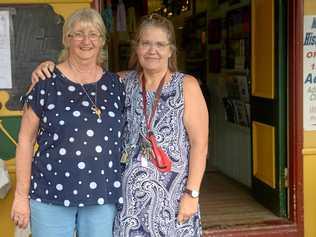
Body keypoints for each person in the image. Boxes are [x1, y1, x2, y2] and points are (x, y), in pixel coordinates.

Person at [32, 13, 208, 237]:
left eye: (160, 44)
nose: (152, 50)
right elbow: (82, 77)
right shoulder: (121, 82)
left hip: (172, 200)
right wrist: (48, 69)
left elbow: (199, 144)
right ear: (137, 48)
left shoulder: (187, 86)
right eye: (145, 43)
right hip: (128, 204)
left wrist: (192, 194)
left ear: (170, 50)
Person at [11, 8, 125, 237]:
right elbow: (25, 140)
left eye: (93, 34)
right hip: (51, 193)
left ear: (102, 40)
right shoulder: (45, 82)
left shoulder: (116, 85)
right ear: (66, 39)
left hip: (101, 195)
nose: (86, 40)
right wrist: (21, 196)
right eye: (78, 33)